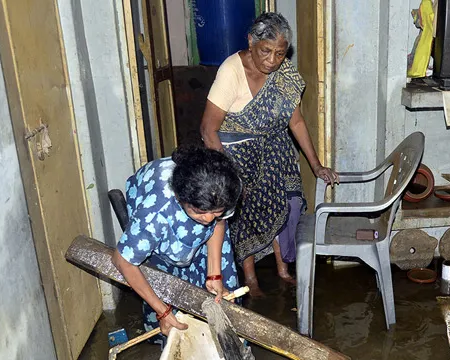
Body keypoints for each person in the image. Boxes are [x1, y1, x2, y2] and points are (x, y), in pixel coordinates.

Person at [200, 12, 339, 296]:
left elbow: (296, 121)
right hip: (235, 155)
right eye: (266, 51)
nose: (272, 60)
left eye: (280, 53)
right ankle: (250, 279)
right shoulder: (231, 71)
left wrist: (316, 166)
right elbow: (207, 129)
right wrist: (230, 178)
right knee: (245, 215)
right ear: (250, 41)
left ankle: (282, 269)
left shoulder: (284, 74)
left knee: (284, 205)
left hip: (274, 152)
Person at [112, 146, 242, 338]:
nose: (208, 219)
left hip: (194, 206)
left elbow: (219, 222)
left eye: (215, 211)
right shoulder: (155, 213)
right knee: (165, 285)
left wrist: (214, 274)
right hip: (161, 220)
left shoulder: (224, 188)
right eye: (199, 211)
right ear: (181, 199)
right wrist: (162, 311)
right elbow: (122, 260)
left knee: (221, 291)